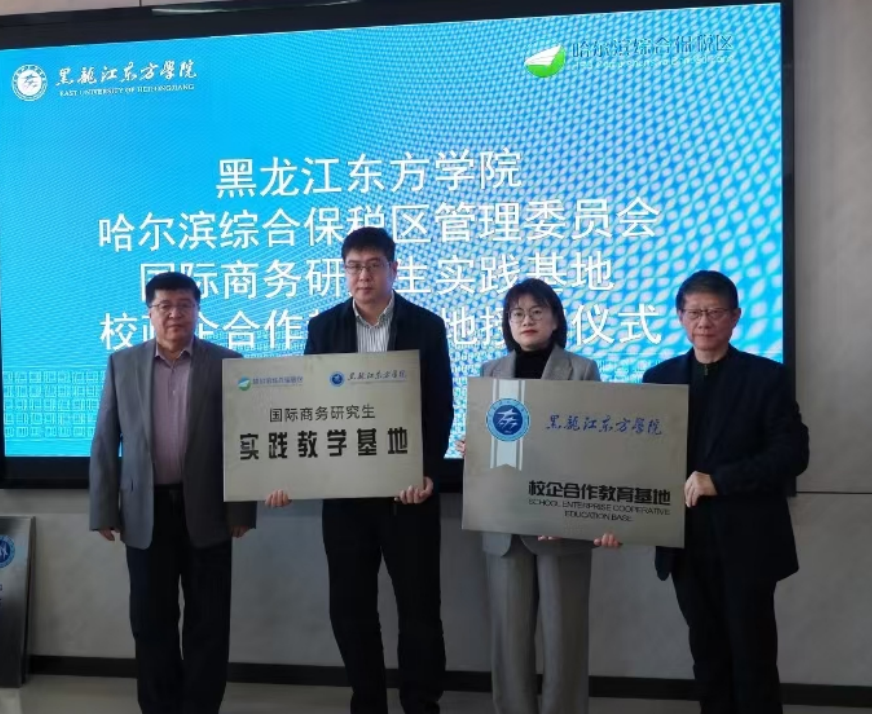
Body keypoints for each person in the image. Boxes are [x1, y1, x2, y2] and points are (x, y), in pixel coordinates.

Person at [266, 227, 454, 714]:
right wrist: (289, 471)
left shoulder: (426, 326)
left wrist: (428, 472)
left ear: (394, 269)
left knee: (419, 608)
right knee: (350, 609)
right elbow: (309, 406)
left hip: (408, 495)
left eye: (373, 265)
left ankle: (421, 703)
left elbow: (440, 408)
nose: (363, 275)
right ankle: (367, 702)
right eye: (353, 266)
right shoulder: (323, 327)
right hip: (345, 496)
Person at [89, 271, 257, 715]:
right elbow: (105, 439)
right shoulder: (122, 363)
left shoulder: (227, 362)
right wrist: (103, 508)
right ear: (149, 313)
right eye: (164, 306)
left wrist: (242, 509)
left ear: (198, 311)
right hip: (146, 512)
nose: (175, 314)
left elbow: (243, 439)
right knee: (151, 621)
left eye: (185, 305)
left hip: (209, 511)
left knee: (209, 622)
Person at [644, 271, 809, 715]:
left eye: (715, 312)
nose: (704, 321)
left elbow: (792, 454)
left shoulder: (766, 377)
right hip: (684, 544)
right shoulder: (658, 378)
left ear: (736, 317)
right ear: (680, 317)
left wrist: (720, 481)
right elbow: (641, 460)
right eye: (695, 312)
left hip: (747, 543)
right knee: (707, 658)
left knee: (753, 660)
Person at [455, 278, 620, 714]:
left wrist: (566, 515)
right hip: (505, 525)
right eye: (517, 313)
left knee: (565, 635)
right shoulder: (490, 372)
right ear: (507, 323)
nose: (526, 320)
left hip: (562, 524)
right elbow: (492, 444)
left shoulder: (582, 370)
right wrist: (474, 448)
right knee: (509, 637)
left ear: (556, 319)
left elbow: (595, 450)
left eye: (536, 311)